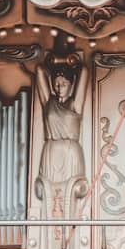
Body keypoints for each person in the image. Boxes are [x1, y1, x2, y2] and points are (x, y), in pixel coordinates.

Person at [36, 55, 89, 218]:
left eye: (64, 84)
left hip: (70, 152)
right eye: (56, 84)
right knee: (50, 197)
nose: (59, 87)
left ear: (71, 86)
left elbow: (85, 71)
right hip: (51, 150)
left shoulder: (75, 104)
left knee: (70, 196)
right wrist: (53, 63)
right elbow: (38, 70)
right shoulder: (48, 102)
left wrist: (72, 62)